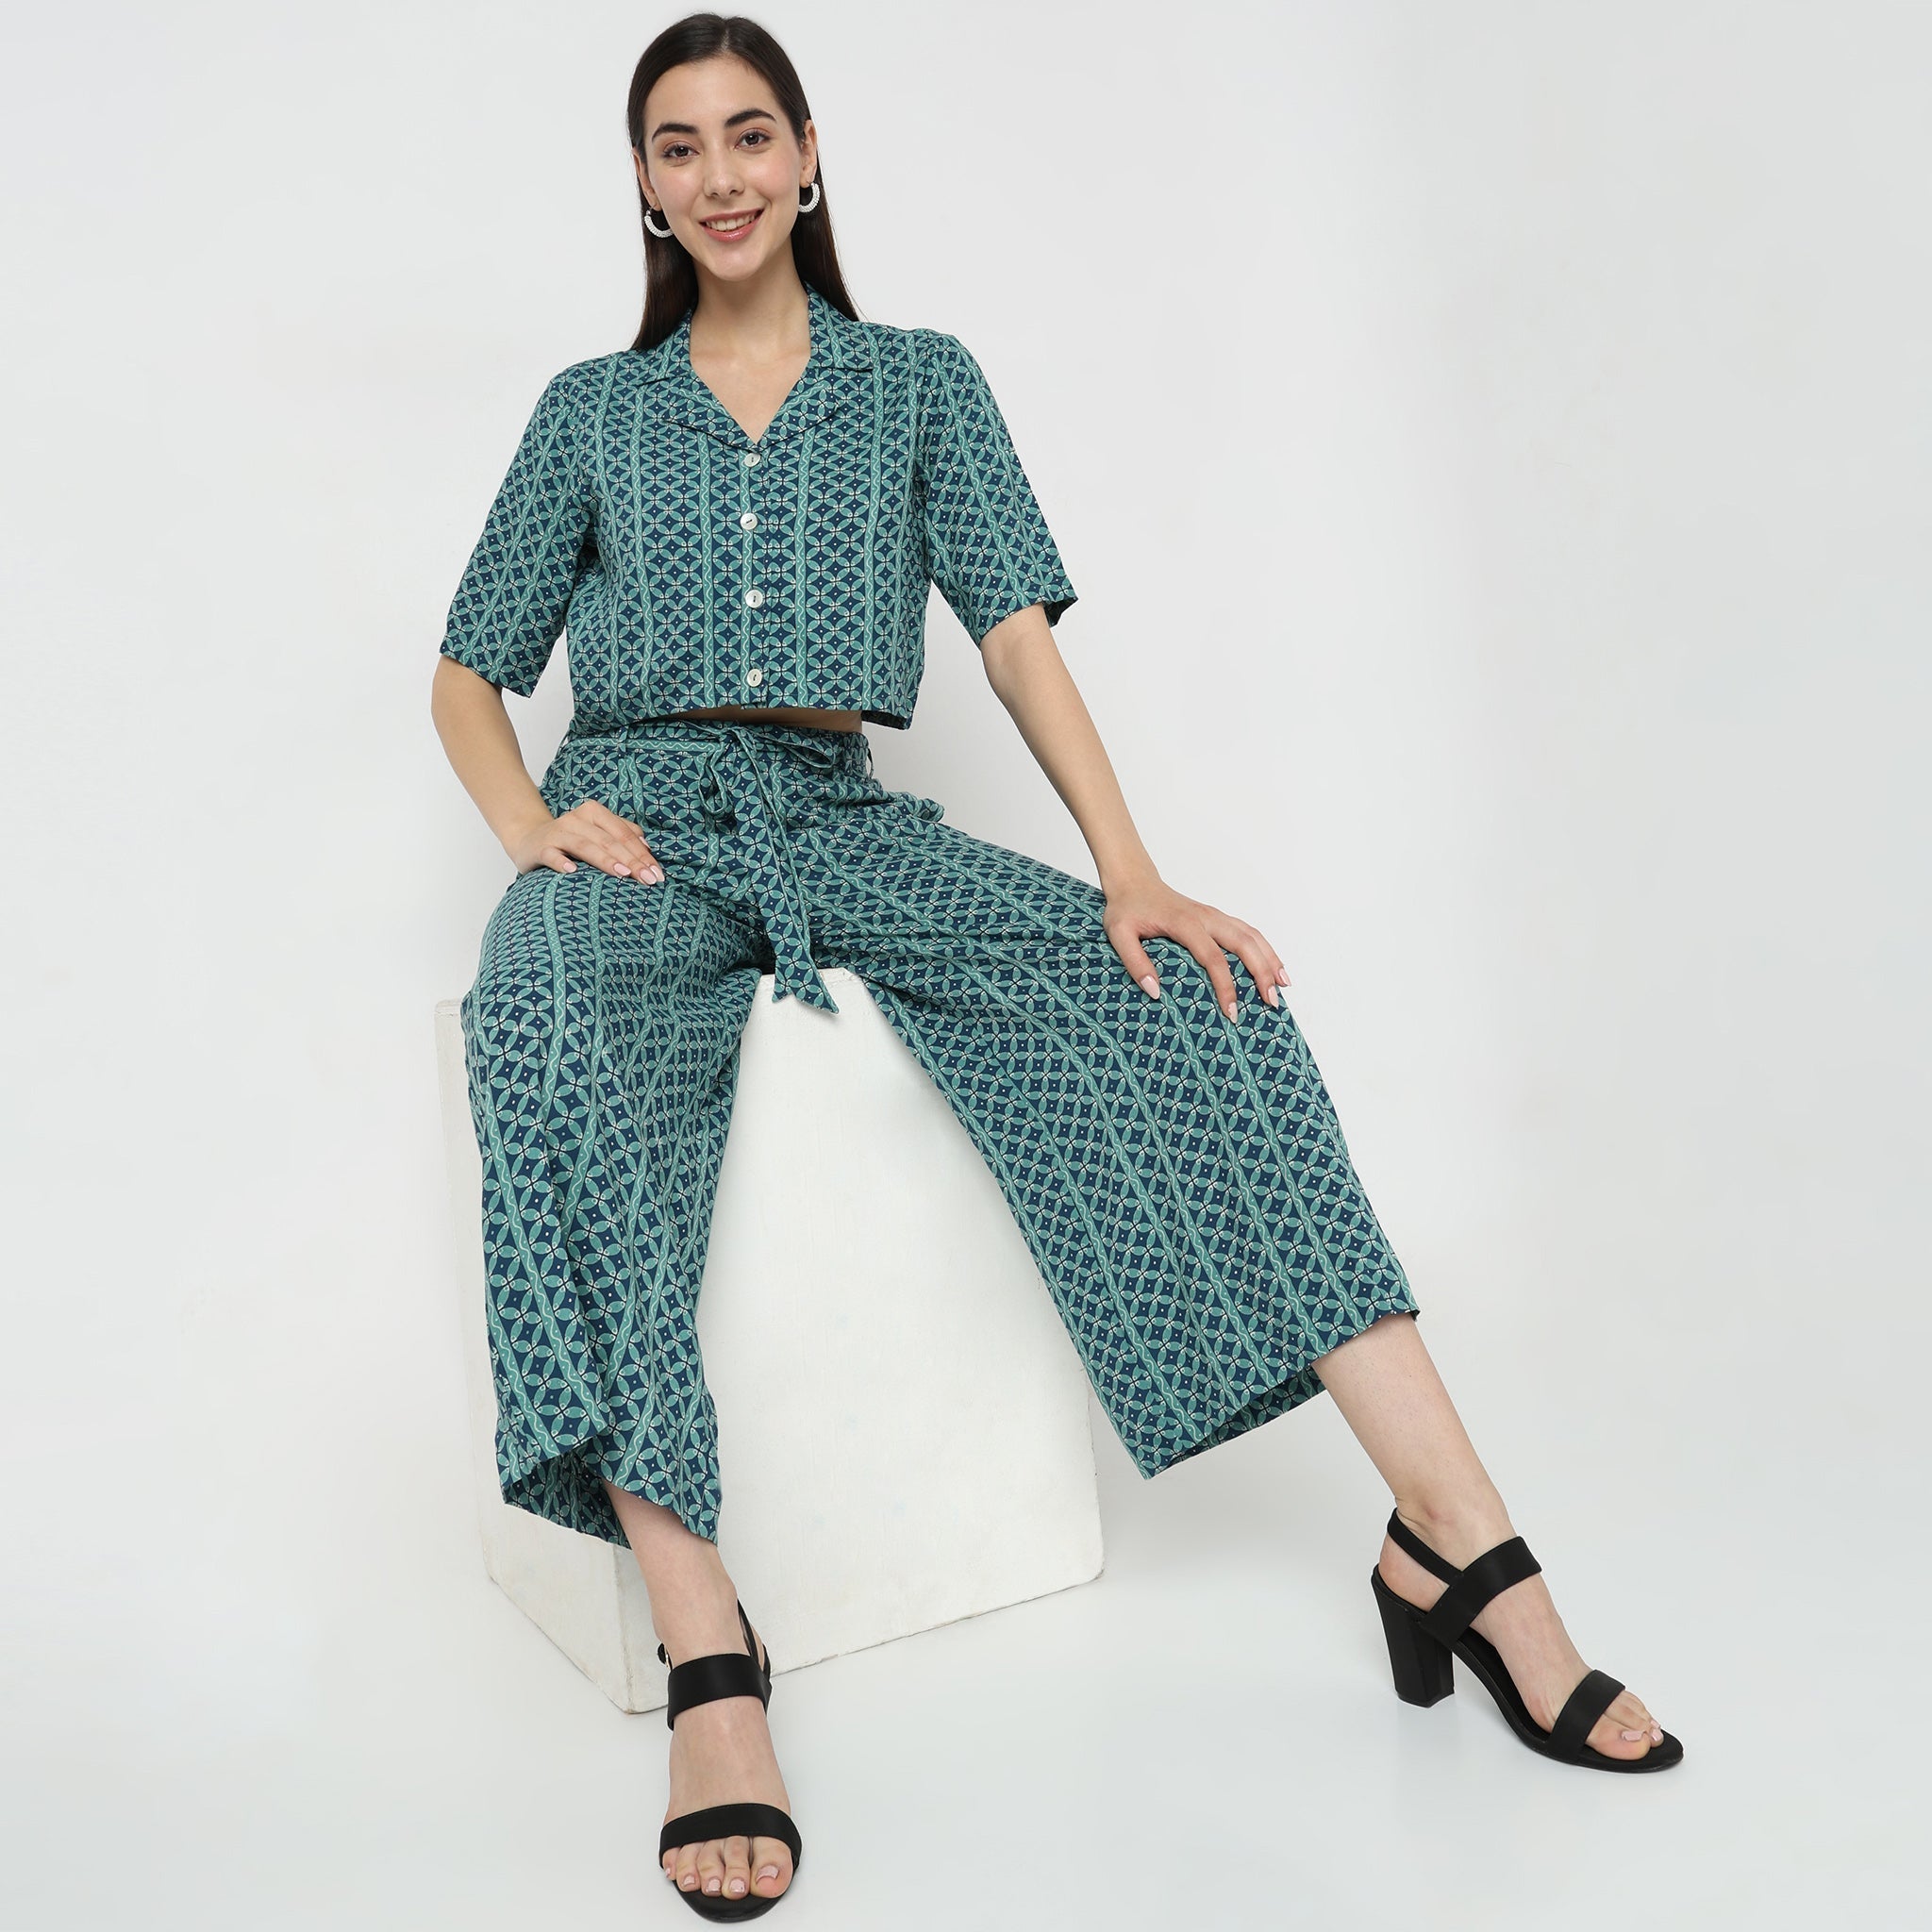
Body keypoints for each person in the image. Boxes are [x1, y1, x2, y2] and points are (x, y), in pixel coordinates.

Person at [429, 13, 1681, 1920]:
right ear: (646, 189)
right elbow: (468, 669)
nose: (721, 174)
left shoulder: (921, 381)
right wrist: (533, 827)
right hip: (641, 819)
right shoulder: (588, 411)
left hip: (842, 819)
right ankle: (707, 1646)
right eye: (678, 146)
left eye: (751, 134)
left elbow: (1013, 634)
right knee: (538, 1026)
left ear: (810, 155)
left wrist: (1131, 874)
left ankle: (1461, 1539)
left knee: (1205, 1011)